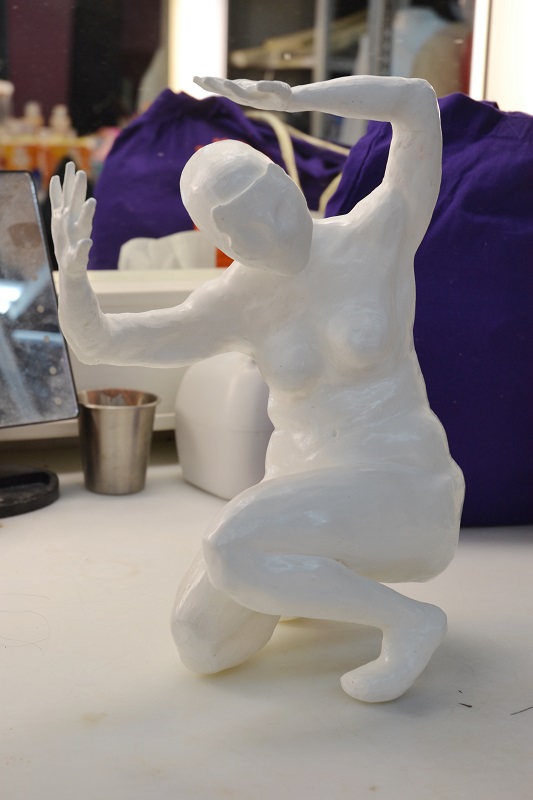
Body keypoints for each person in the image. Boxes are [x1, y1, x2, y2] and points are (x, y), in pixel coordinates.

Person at [50, 74, 464, 703]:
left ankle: (408, 622)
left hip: (402, 481)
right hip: (304, 497)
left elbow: (413, 104)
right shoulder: (236, 302)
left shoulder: (376, 234)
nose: (274, 232)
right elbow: (103, 343)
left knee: (233, 542)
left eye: (272, 202)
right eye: (241, 229)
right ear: (220, 243)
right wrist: (74, 279)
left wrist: (295, 100)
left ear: (286, 181)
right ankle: (309, 575)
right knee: (201, 643)